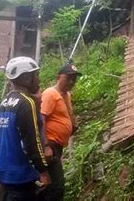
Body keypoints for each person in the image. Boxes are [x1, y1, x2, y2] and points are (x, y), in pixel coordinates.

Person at [0, 57, 51, 200]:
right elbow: (32, 141)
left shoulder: (4, 101)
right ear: (26, 78)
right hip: (21, 176)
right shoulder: (26, 103)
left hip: (4, 172)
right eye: (36, 75)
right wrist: (43, 171)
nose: (38, 79)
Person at [39, 64, 81, 201]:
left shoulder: (66, 94)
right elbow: (41, 119)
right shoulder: (50, 94)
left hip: (58, 145)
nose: (71, 82)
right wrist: (46, 146)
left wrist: (72, 126)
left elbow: (66, 114)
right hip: (50, 144)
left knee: (52, 184)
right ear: (58, 77)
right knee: (57, 186)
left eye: (74, 79)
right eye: (68, 78)